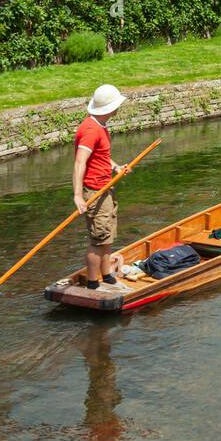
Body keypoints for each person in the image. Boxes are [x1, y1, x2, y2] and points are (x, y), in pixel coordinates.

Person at [73, 84, 127, 291]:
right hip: (95, 191)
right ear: (110, 108)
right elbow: (80, 162)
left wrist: (116, 167)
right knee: (98, 239)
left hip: (106, 188)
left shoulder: (100, 126)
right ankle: (94, 284)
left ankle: (107, 276)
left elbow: (101, 156)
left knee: (107, 235)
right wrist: (78, 195)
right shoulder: (90, 130)